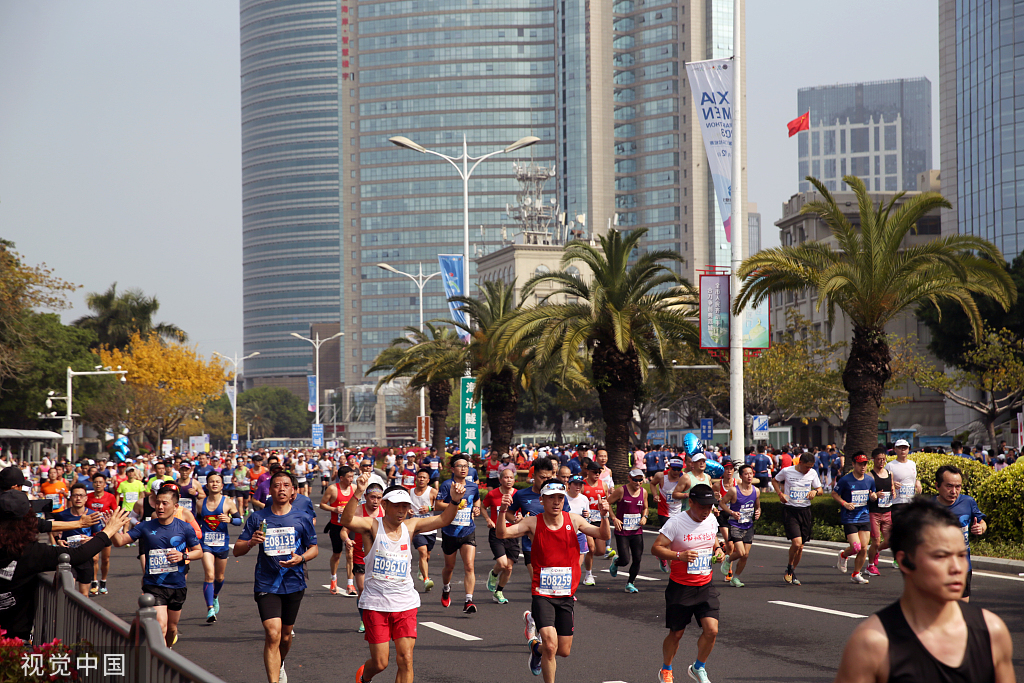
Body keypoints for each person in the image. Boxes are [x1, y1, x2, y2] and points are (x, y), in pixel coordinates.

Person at [832, 498, 1015, 683]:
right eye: (941, 556)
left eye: (960, 555)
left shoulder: (991, 632)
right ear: (904, 561)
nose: (956, 568)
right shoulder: (872, 643)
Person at [497, 481, 611, 681]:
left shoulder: (574, 520)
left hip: (566, 594)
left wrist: (604, 516)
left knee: (563, 650)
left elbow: (603, 534)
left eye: (560, 497)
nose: (556, 502)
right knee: (551, 644)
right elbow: (503, 533)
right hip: (542, 593)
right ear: (542, 500)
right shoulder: (533, 522)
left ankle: (535, 648)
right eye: (551, 498)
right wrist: (502, 512)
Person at [0, 490, 129, 640]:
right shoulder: (30, 552)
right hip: (14, 635)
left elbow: (45, 525)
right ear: (27, 520)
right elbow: (79, 554)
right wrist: (109, 531)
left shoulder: (30, 551)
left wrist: (81, 523)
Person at [234, 471, 319, 683]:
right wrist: (251, 542)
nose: (281, 488)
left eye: (286, 485)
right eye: (277, 485)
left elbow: (314, 548)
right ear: (269, 490)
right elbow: (237, 550)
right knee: (273, 633)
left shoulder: (302, 518)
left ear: (293, 491)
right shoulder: (258, 517)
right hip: (266, 583)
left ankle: (279, 663)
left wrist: (301, 559)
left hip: (293, 582)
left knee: (286, 636)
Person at [651, 484, 727, 683]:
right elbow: (656, 548)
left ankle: (698, 667)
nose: (706, 511)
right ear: (690, 502)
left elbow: (713, 540)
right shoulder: (675, 523)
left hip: (705, 584)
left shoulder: (711, 518)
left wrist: (718, 550)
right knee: (676, 634)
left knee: (712, 630)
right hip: (681, 587)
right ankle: (666, 669)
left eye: (709, 507)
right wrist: (679, 555)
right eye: (702, 506)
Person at [111, 485, 203, 647]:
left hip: (177, 585)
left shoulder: (184, 528)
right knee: (161, 625)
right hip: (154, 584)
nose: (160, 507)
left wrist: (184, 556)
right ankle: (158, 660)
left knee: (172, 628)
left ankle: (167, 651)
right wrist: (111, 528)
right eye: (158, 503)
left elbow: (199, 552)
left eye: (165, 503)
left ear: (175, 507)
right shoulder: (146, 526)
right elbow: (120, 542)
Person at [435, 454, 481, 613]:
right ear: (453, 469)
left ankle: (469, 601)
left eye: (466, 466)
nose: (463, 469)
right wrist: (454, 504)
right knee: (449, 567)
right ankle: (446, 588)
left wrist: (477, 508)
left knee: (469, 566)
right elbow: (438, 505)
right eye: (460, 466)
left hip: (468, 529)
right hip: (450, 531)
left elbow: (476, 500)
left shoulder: (473, 486)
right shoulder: (447, 485)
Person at [934, 464, 987, 602]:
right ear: (937, 485)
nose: (954, 491)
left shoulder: (968, 502)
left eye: (958, 487)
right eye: (949, 486)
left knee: (962, 612)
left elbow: (981, 522)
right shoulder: (928, 507)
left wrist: (981, 527)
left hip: (962, 566)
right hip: (937, 569)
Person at [772, 452, 823, 586]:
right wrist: (780, 494)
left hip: (805, 511)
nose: (808, 470)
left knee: (801, 547)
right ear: (799, 463)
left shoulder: (812, 473)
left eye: (811, 467)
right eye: (806, 467)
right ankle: (789, 566)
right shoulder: (787, 471)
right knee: (796, 542)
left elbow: (820, 489)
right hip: (790, 510)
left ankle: (792, 571)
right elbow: (775, 480)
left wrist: (815, 492)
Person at [199, 471, 241, 623]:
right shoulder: (200, 503)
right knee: (209, 575)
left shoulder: (228, 502)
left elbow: (239, 521)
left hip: (222, 543)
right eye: (211, 481)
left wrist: (229, 520)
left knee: (219, 577)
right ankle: (210, 609)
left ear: (222, 485)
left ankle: (215, 596)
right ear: (207, 485)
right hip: (206, 544)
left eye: (217, 481)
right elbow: (195, 523)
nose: (214, 484)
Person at [832, 453, 877, 584]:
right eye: (860, 464)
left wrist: (873, 497)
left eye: (865, 464)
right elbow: (834, 493)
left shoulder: (869, 480)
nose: (863, 467)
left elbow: (872, 493)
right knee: (856, 547)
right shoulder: (845, 480)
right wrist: (844, 503)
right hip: (850, 518)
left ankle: (856, 574)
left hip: (864, 517)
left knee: (863, 548)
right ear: (853, 464)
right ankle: (843, 555)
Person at [54, 483, 105, 596]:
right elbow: (53, 529)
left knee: (84, 594)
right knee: (67, 590)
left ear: (86, 498)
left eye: (81, 495)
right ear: (71, 497)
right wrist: (58, 539)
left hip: (85, 556)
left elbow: (100, 535)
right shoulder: (62, 515)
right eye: (75, 495)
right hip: (68, 555)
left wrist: (90, 539)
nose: (78, 498)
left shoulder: (93, 515)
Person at [509, 456, 556, 578]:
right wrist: (516, 521)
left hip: (554, 544)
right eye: (542, 477)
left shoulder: (558, 496)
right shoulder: (521, 495)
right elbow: (509, 513)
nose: (546, 481)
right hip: (531, 545)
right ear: (534, 476)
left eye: (549, 478)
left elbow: (567, 517)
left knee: (552, 582)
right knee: (537, 581)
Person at [606, 468, 649, 592]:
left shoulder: (644, 492)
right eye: (635, 480)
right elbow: (607, 503)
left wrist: (645, 516)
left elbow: (645, 507)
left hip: (636, 531)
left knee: (637, 558)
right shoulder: (621, 491)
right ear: (629, 478)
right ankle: (616, 562)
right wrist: (614, 518)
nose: (638, 482)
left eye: (640, 480)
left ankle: (630, 583)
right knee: (625, 560)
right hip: (622, 531)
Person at [482, 466, 519, 603]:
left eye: (511, 477)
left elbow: (522, 512)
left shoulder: (518, 495)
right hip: (496, 533)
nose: (508, 480)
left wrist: (520, 518)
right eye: (506, 477)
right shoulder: (493, 494)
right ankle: (494, 574)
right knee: (503, 564)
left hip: (512, 533)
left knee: (509, 567)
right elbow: (482, 506)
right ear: (500, 479)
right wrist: (488, 519)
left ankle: (499, 592)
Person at [719, 464, 760, 587]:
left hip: (748, 525)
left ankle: (735, 578)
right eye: (746, 474)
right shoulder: (734, 491)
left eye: (751, 473)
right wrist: (732, 512)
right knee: (740, 552)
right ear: (741, 476)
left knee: (745, 555)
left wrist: (758, 512)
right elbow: (722, 503)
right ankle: (728, 559)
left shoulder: (756, 491)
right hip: (735, 525)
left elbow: (757, 506)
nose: (749, 476)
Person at [321, 465, 358, 596]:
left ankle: (350, 583)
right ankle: (333, 579)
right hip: (336, 526)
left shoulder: (354, 488)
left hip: (350, 526)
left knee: (351, 553)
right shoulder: (333, 489)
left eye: (352, 476)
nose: (351, 479)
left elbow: (359, 504)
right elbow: (322, 504)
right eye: (349, 477)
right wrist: (334, 509)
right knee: (337, 554)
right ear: (341, 478)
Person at [86, 472, 118, 595]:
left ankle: (103, 581)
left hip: (106, 531)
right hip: (92, 532)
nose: (98, 484)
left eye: (100, 482)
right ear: (92, 484)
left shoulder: (110, 497)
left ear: (105, 484)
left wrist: (115, 527)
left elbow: (115, 512)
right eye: (96, 482)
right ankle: (94, 582)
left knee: (105, 559)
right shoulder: (88, 497)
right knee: (94, 559)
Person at [865, 448, 894, 577]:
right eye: (878, 459)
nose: (881, 462)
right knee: (876, 541)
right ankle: (870, 566)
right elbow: (868, 494)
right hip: (874, 512)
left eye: (883, 459)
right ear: (873, 460)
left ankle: (876, 551)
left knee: (889, 541)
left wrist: (894, 491)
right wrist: (874, 495)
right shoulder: (870, 476)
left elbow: (891, 487)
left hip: (887, 511)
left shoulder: (889, 473)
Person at [408, 469, 438, 592]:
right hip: (416, 527)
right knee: (423, 552)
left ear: (428, 480)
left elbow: (443, 505)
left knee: (428, 555)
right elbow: (404, 505)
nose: (421, 479)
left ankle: (422, 569)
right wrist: (407, 511)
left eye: (424, 478)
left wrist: (429, 508)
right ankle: (426, 579)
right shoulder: (410, 492)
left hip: (430, 527)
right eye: (419, 477)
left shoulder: (433, 492)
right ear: (416, 478)